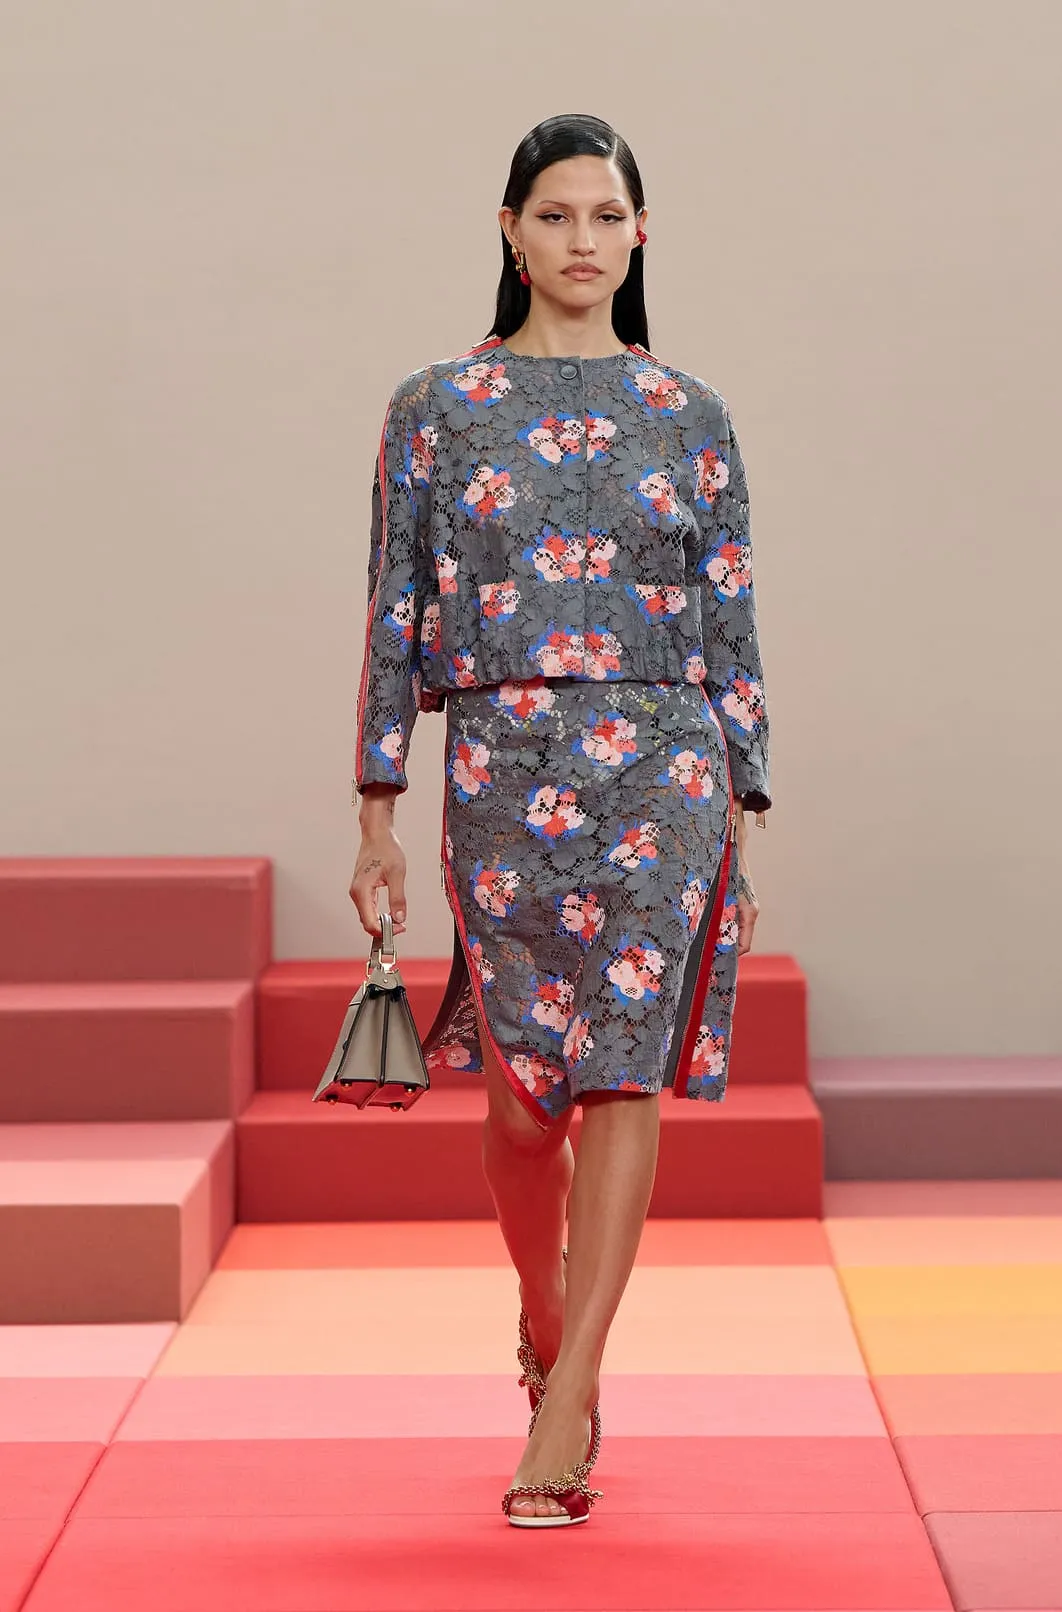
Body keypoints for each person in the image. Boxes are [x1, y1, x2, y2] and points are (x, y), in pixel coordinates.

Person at [349, 113, 771, 1529]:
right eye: (555, 214)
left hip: (665, 768)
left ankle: (572, 1388)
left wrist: (744, 812)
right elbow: (394, 604)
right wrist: (376, 807)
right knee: (525, 1102)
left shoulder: (692, 413)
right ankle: (541, 1315)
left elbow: (730, 621)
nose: (583, 240)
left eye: (607, 215)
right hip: (501, 769)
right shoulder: (436, 406)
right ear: (510, 232)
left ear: (639, 234)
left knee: (624, 1077)